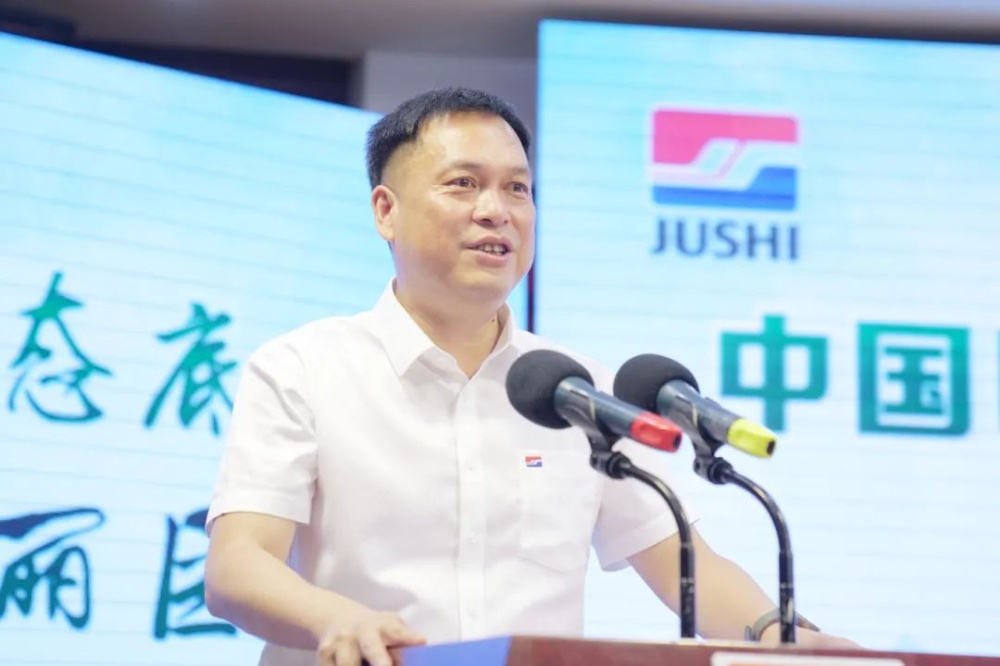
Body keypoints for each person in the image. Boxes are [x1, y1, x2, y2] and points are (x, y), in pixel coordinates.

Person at [204, 87, 858, 666]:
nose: (497, 210)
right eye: (464, 183)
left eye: (517, 188)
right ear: (386, 211)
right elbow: (236, 566)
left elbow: (686, 565)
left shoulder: (580, 393)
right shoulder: (303, 368)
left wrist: (782, 638)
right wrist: (334, 618)